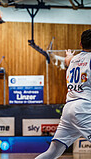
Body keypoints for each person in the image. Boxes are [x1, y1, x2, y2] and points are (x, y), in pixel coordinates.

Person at [35, 29, 91, 159]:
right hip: (84, 108)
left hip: (69, 108)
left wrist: (68, 55)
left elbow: (67, 60)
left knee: (53, 152)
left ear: (80, 44)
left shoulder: (73, 60)